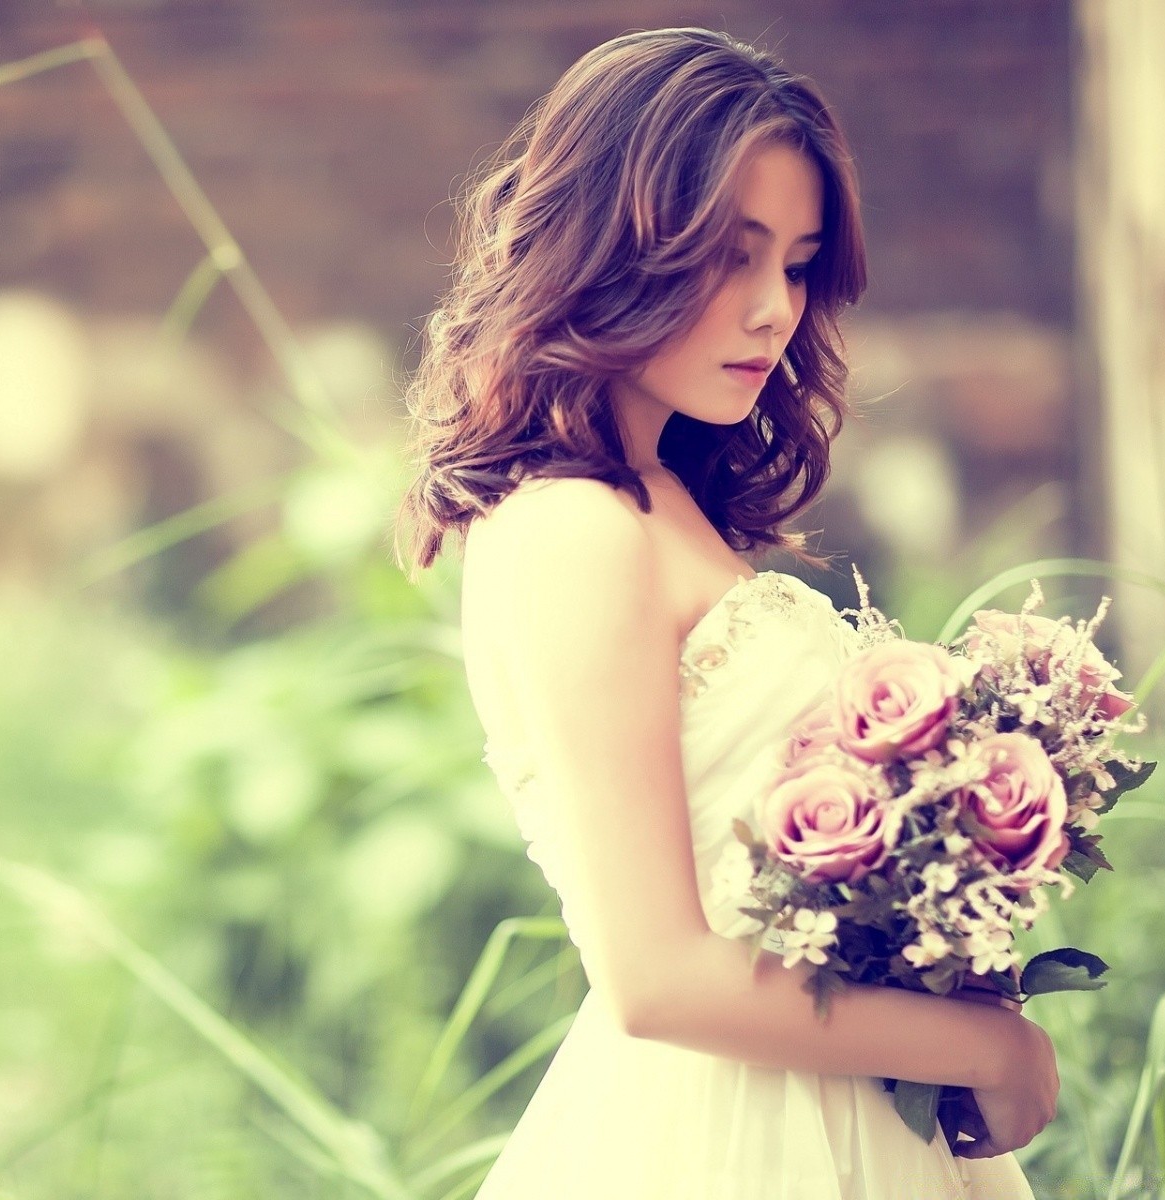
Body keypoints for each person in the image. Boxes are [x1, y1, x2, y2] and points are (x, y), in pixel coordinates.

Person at [393, 27, 1056, 1199]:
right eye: (730, 258)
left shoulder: (652, 500)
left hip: (817, 1099)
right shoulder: (572, 528)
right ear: (613, 246)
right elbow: (655, 976)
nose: (774, 312)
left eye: (797, 265)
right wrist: (992, 1048)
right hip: (727, 1136)